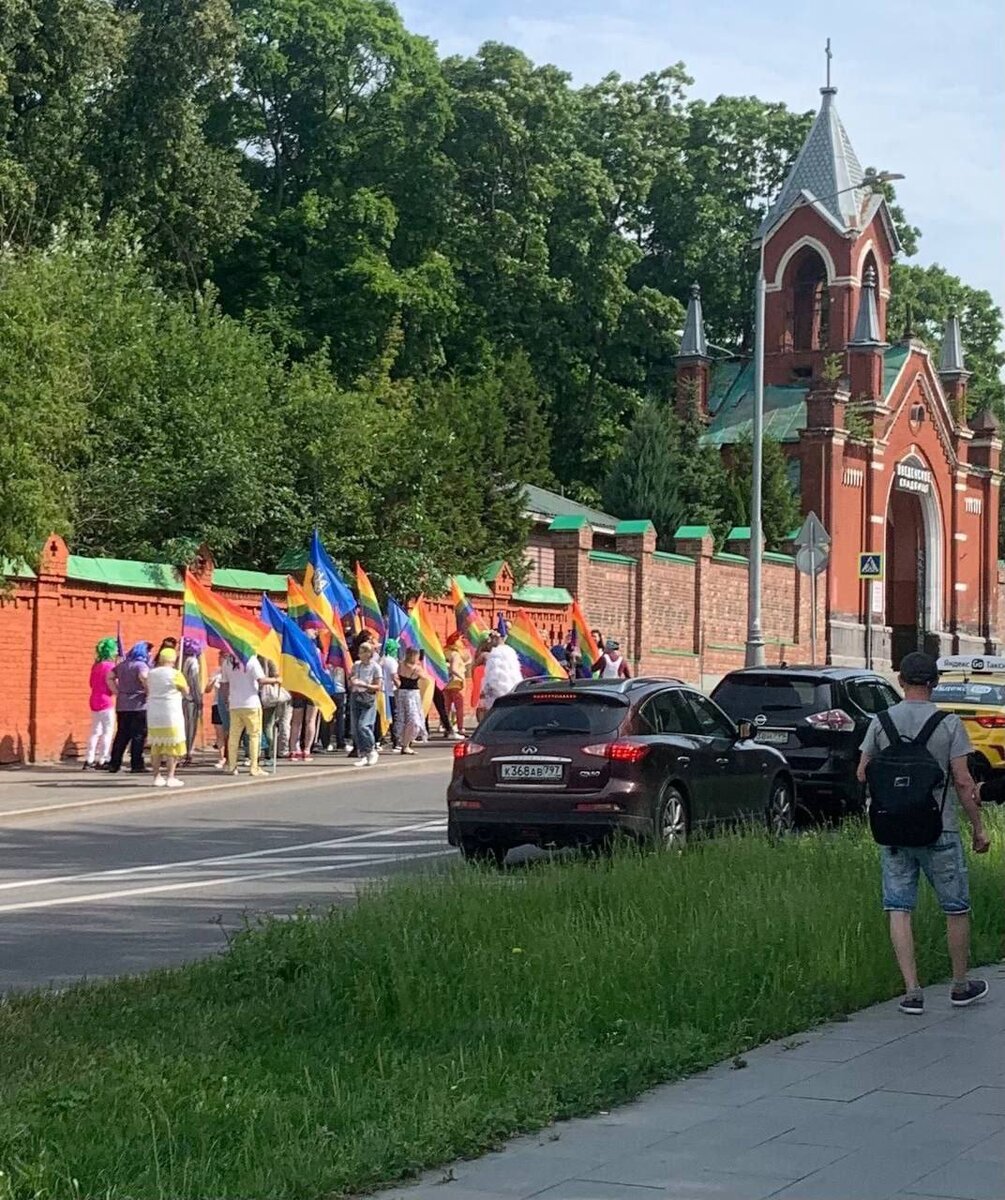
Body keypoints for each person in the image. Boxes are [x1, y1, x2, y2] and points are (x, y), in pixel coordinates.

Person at [856, 651, 991, 1014]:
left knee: (898, 907)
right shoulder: (948, 724)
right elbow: (963, 782)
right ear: (934, 683)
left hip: (894, 830)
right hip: (940, 829)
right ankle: (960, 985)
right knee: (956, 908)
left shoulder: (881, 722)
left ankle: (912, 991)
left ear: (901, 681)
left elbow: (862, 772)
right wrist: (978, 829)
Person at [223, 654, 278, 776]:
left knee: (234, 736)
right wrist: (276, 680)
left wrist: (227, 699)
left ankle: (232, 766)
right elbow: (261, 680)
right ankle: (254, 767)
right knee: (254, 735)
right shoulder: (251, 660)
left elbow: (224, 683)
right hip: (251, 703)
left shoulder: (227, 661)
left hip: (235, 704)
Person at [143, 647, 189, 788]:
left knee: (156, 746)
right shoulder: (175, 674)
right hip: (171, 712)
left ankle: (156, 777)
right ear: (173, 660)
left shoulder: (151, 673)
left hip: (154, 713)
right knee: (173, 746)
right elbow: (186, 691)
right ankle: (170, 776)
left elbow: (148, 688)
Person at [107, 642, 151, 773]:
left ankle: (114, 763)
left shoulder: (122, 665)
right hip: (139, 705)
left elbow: (109, 677)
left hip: (122, 705)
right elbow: (144, 678)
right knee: (138, 735)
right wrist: (149, 692)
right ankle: (137, 764)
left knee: (122, 734)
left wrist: (117, 691)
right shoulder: (141, 665)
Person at [84, 637, 118, 770]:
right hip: (106, 700)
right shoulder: (110, 666)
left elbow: (91, 683)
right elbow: (113, 684)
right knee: (108, 731)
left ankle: (89, 758)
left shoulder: (96, 666)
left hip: (94, 699)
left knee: (95, 731)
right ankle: (103, 759)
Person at [348, 641, 382, 766]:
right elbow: (351, 678)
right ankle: (363, 754)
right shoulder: (356, 665)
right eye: (360, 652)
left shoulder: (375, 667)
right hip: (356, 696)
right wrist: (352, 681)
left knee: (364, 725)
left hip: (368, 697)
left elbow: (378, 686)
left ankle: (372, 750)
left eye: (363, 652)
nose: (360, 654)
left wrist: (365, 685)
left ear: (369, 654)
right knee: (356, 728)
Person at [478, 636, 523, 714]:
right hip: (510, 695)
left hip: (496, 698)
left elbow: (490, 680)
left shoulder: (494, 656)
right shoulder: (508, 654)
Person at [259, 656, 291, 764]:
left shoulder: (250, 657)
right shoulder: (270, 657)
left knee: (254, 727)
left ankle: (251, 754)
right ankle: (268, 754)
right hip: (268, 697)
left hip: (252, 695)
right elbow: (277, 677)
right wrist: (276, 679)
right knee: (267, 726)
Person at [396, 647, 426, 755]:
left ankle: (404, 743)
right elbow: (425, 677)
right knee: (413, 720)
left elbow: (396, 677)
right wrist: (421, 665)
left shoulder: (400, 665)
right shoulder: (416, 668)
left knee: (403, 718)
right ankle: (405, 744)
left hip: (402, 693)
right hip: (412, 694)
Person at [180, 638, 203, 764]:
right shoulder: (192, 662)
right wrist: (198, 699)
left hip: (179, 698)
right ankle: (187, 752)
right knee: (189, 727)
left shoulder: (179, 660)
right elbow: (194, 682)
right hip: (189, 699)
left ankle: (182, 752)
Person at [207, 653, 230, 769]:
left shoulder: (232, 671)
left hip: (229, 705)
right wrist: (211, 682)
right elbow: (207, 690)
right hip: (217, 704)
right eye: (220, 657)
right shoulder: (216, 672)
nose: (221, 659)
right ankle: (221, 758)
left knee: (229, 733)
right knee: (219, 733)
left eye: (224, 657)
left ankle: (230, 757)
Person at [444, 634, 468, 739]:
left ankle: (447, 728)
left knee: (446, 707)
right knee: (459, 707)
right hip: (456, 683)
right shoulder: (455, 654)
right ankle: (460, 728)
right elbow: (454, 669)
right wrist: (462, 678)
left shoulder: (445, 652)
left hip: (446, 682)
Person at [380, 638, 400, 749]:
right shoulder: (392, 661)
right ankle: (396, 741)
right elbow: (394, 677)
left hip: (382, 691)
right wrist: (401, 688)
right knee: (394, 716)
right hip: (391, 692)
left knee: (384, 716)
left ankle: (381, 739)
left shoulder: (382, 660)